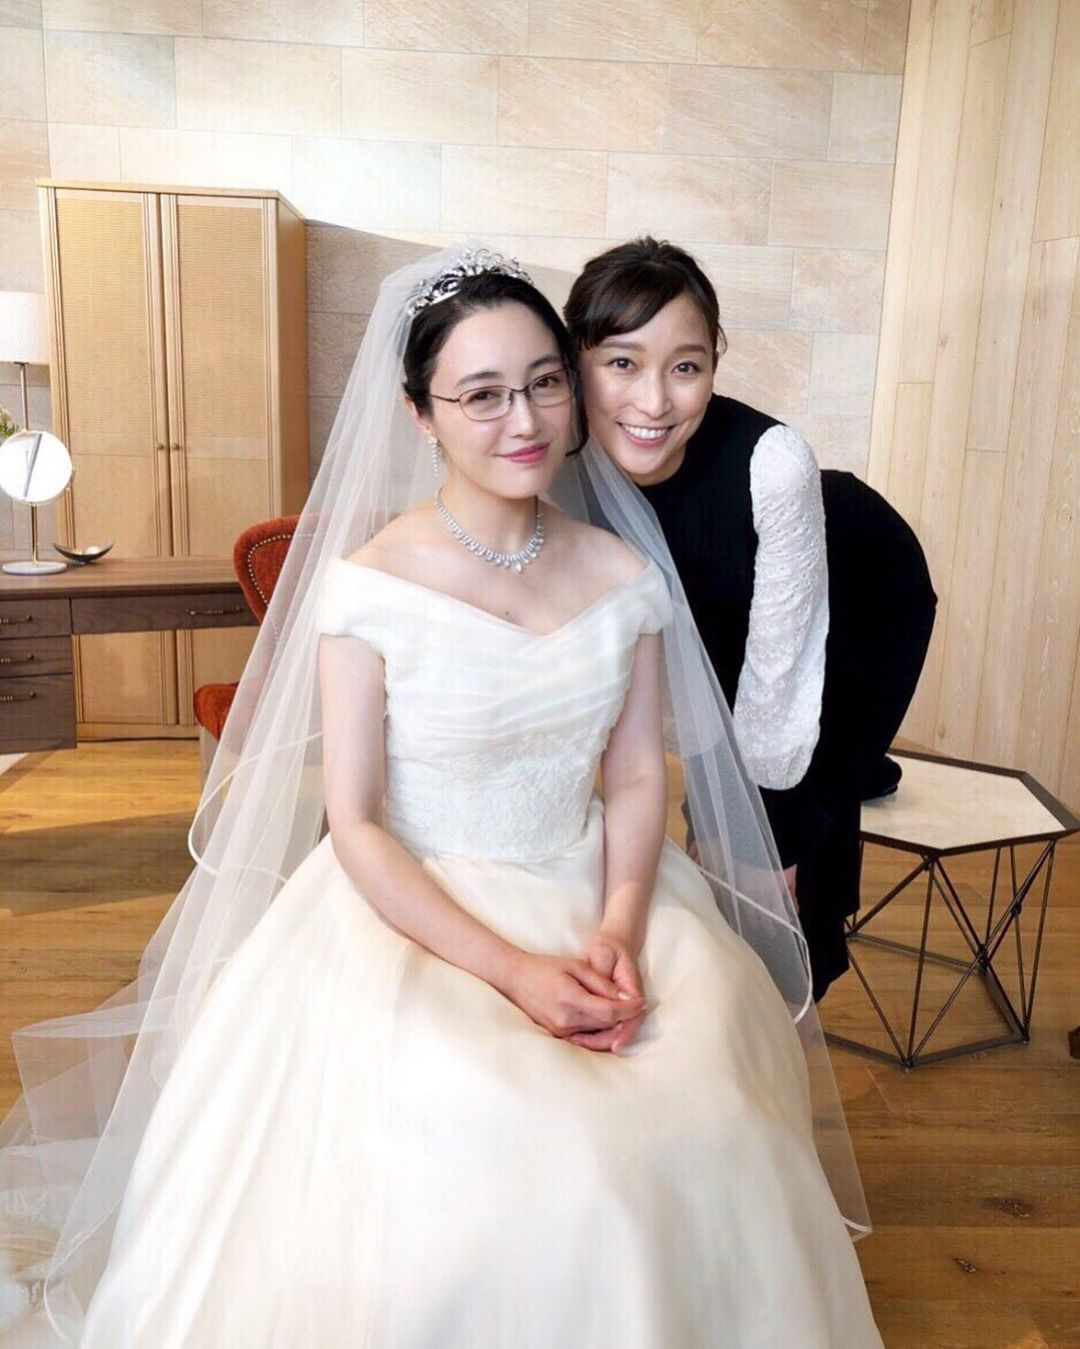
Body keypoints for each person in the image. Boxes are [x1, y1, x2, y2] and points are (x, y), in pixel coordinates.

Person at [0, 248, 882, 1347]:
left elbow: (633, 775)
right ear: (420, 413)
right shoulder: (371, 584)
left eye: (545, 382)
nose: (525, 420)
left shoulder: (624, 573)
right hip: (411, 906)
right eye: (482, 394)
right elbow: (356, 821)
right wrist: (515, 971)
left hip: (600, 885)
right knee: (510, 1142)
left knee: (712, 1100)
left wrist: (619, 925)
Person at [564, 237, 937, 1000]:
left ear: (715, 365)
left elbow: (780, 677)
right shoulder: (555, 460)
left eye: (686, 367)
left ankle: (803, 980)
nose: (654, 402)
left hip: (863, 594)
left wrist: (763, 842)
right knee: (722, 784)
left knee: (791, 828)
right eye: (623, 362)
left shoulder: (774, 464)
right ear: (576, 362)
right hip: (730, 615)